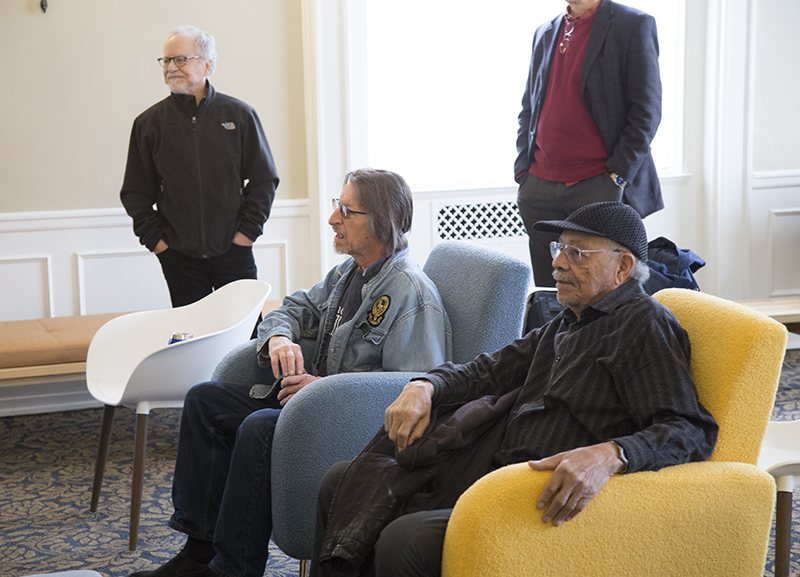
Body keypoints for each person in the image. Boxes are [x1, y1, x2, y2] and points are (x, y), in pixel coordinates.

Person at [310, 201, 718, 577]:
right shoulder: (570, 320)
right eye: (560, 248)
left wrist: (612, 453)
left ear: (623, 267)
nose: (557, 262)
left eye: (577, 253)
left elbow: (689, 429)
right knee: (340, 482)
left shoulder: (643, 325)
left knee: (406, 538)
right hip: (489, 469)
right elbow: (487, 371)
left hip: (542, 499)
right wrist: (425, 385)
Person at [129, 168, 451, 577]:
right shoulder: (349, 273)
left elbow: (416, 387)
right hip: (312, 403)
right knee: (204, 401)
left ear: (381, 222)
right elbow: (291, 308)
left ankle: (233, 569)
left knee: (261, 429)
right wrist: (279, 339)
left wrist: (323, 390)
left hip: (354, 422)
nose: (333, 218)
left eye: (346, 211)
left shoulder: (411, 294)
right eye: (337, 206)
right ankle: (199, 552)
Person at [120, 25, 279, 307]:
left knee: (250, 337)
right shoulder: (148, 124)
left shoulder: (240, 115)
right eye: (166, 60)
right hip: (179, 258)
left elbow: (264, 180)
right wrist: (159, 245)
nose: (171, 67)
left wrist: (246, 235)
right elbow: (135, 193)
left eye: (180, 59)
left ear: (207, 64)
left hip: (235, 251)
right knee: (194, 342)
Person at [515, 0, 662, 287]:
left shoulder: (632, 25)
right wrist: (524, 173)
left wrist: (617, 176)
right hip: (539, 187)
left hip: (598, 184)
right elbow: (528, 110)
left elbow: (647, 110)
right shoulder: (545, 31)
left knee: (600, 293)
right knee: (551, 293)